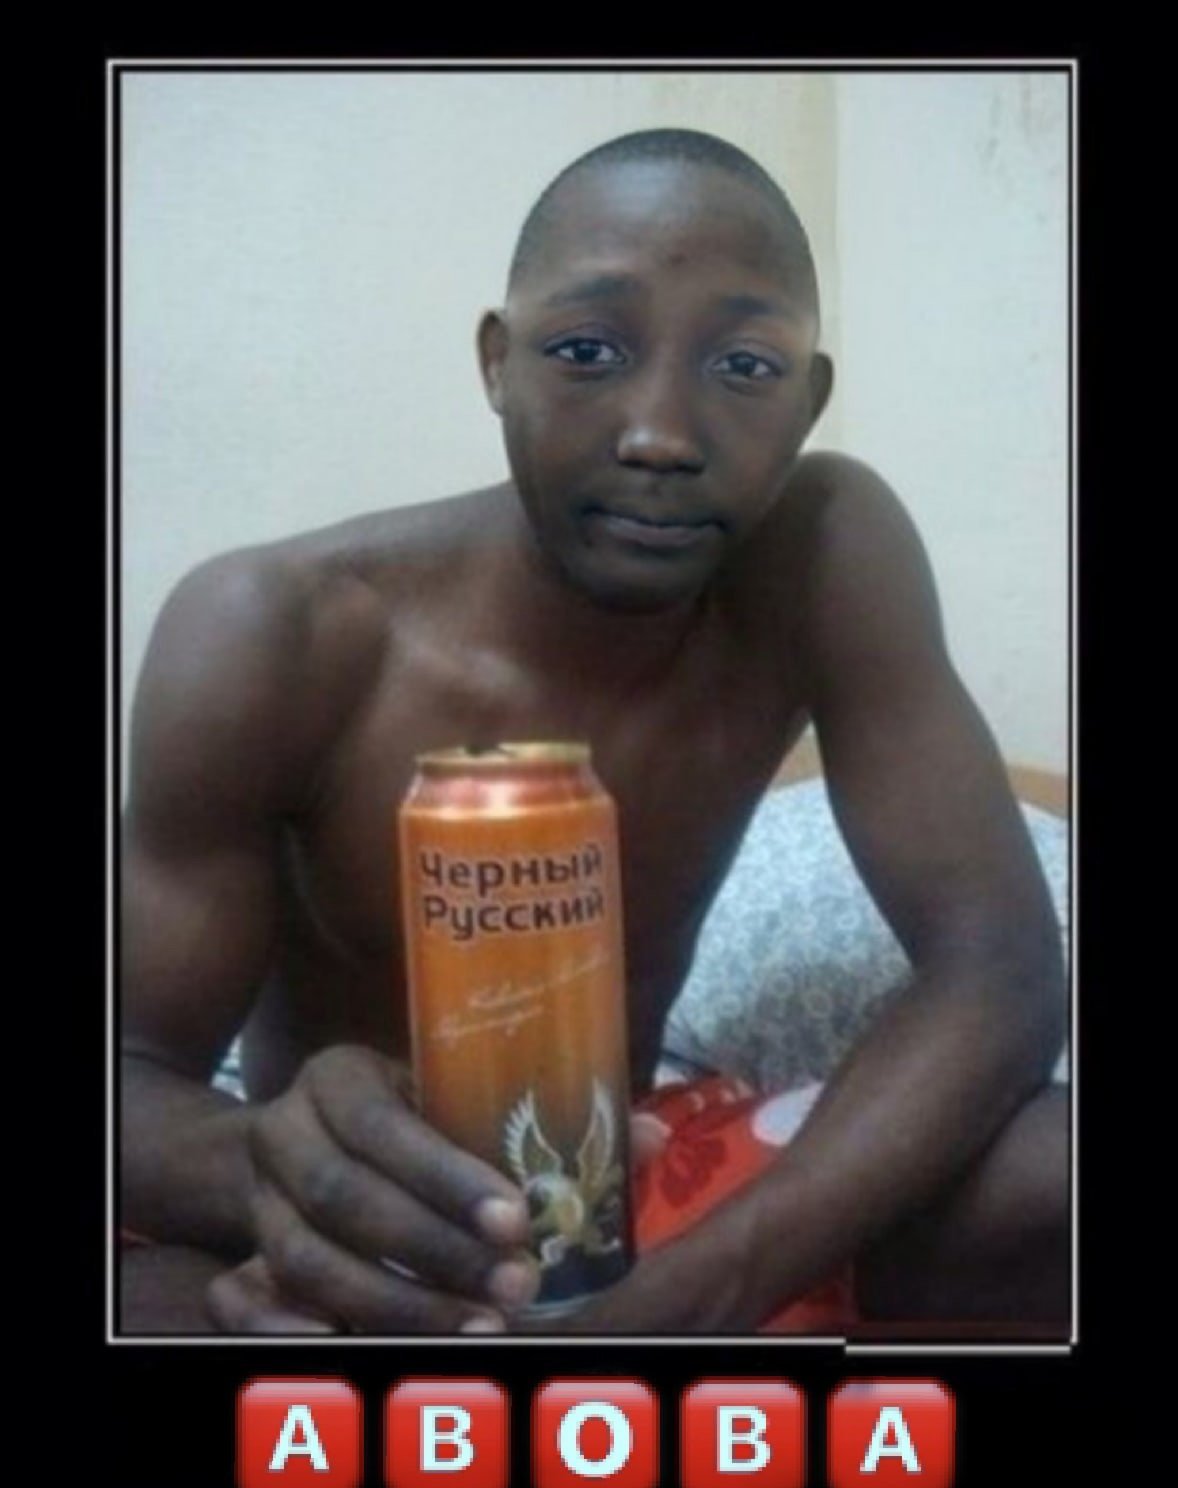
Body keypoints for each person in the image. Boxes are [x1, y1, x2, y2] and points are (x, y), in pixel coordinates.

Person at [120, 127, 1067, 1335]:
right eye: (584, 351)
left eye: (744, 366)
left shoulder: (820, 556)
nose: (660, 433)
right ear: (496, 364)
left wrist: (697, 1290)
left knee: (1057, 1172)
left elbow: (996, 973)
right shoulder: (273, 630)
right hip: (326, 1219)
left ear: (808, 401)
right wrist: (280, 1169)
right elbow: (130, 1076)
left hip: (631, 1195)